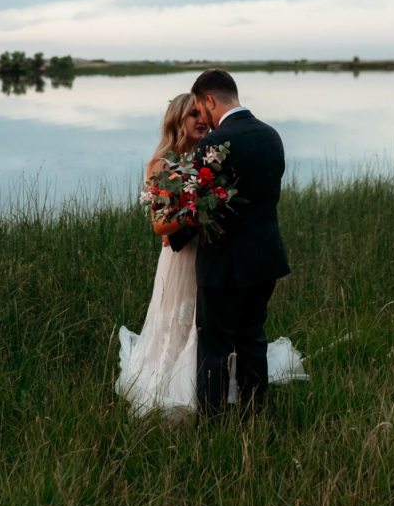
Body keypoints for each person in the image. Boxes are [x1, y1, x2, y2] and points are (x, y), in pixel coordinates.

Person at [115, 90, 306, 421]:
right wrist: (191, 215)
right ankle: (186, 391)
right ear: (177, 121)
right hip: (180, 260)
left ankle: (224, 392)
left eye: (202, 113)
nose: (202, 120)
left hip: (215, 256)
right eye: (192, 115)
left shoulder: (213, 157)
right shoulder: (160, 165)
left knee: (212, 329)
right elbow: (159, 226)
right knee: (183, 326)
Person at [170, 69, 297, 416]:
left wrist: (174, 236)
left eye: (201, 107)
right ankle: (255, 416)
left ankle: (212, 424)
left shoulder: (214, 144)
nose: (205, 120)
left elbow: (201, 207)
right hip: (266, 258)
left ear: (209, 100)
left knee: (214, 345)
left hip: (224, 264)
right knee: (253, 339)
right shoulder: (272, 136)